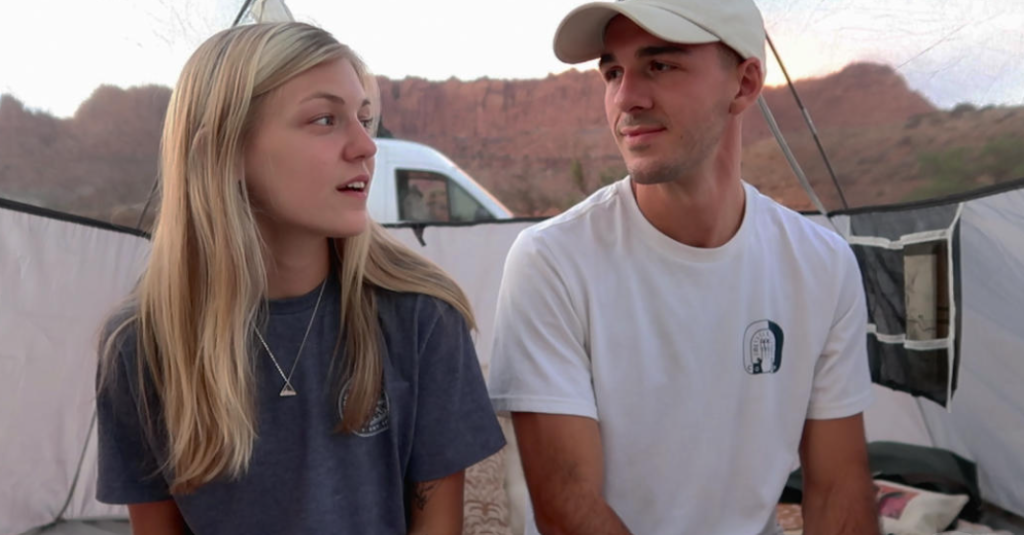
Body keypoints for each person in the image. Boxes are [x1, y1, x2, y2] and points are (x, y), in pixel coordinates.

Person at [94, 22, 505, 535]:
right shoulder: (142, 347)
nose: (365, 146)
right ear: (222, 153)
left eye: (365, 119)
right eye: (325, 119)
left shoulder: (420, 318)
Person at [487, 1, 880, 534]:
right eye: (613, 72)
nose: (626, 98)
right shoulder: (553, 262)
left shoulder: (821, 264)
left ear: (743, 85)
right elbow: (568, 507)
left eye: (660, 65)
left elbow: (839, 490)